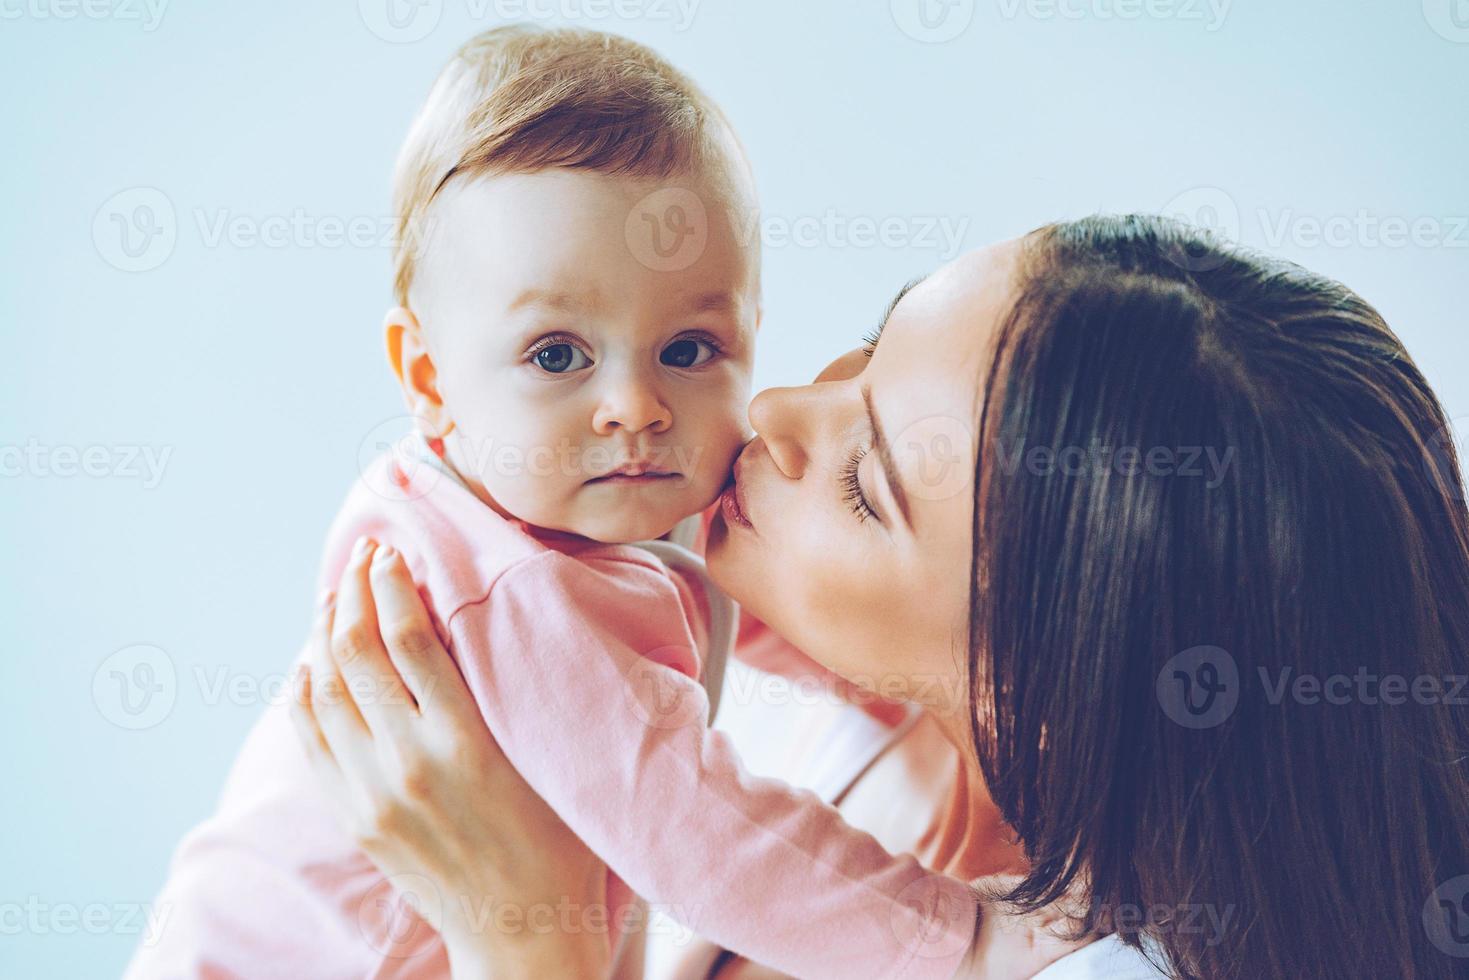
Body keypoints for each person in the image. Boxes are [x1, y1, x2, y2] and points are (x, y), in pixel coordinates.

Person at [295, 216, 1469, 978]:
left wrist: (517, 932)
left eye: (865, 484)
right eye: (864, 353)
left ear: (1048, 690)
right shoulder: (813, 712)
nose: (774, 413)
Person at [126, 24, 1029, 980]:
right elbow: (694, 825)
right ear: (428, 378)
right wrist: (949, 935)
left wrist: (937, 689)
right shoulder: (514, 589)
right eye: (557, 355)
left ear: (748, 333)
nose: (635, 407)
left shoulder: (598, 500)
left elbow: (744, 603)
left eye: (688, 349)